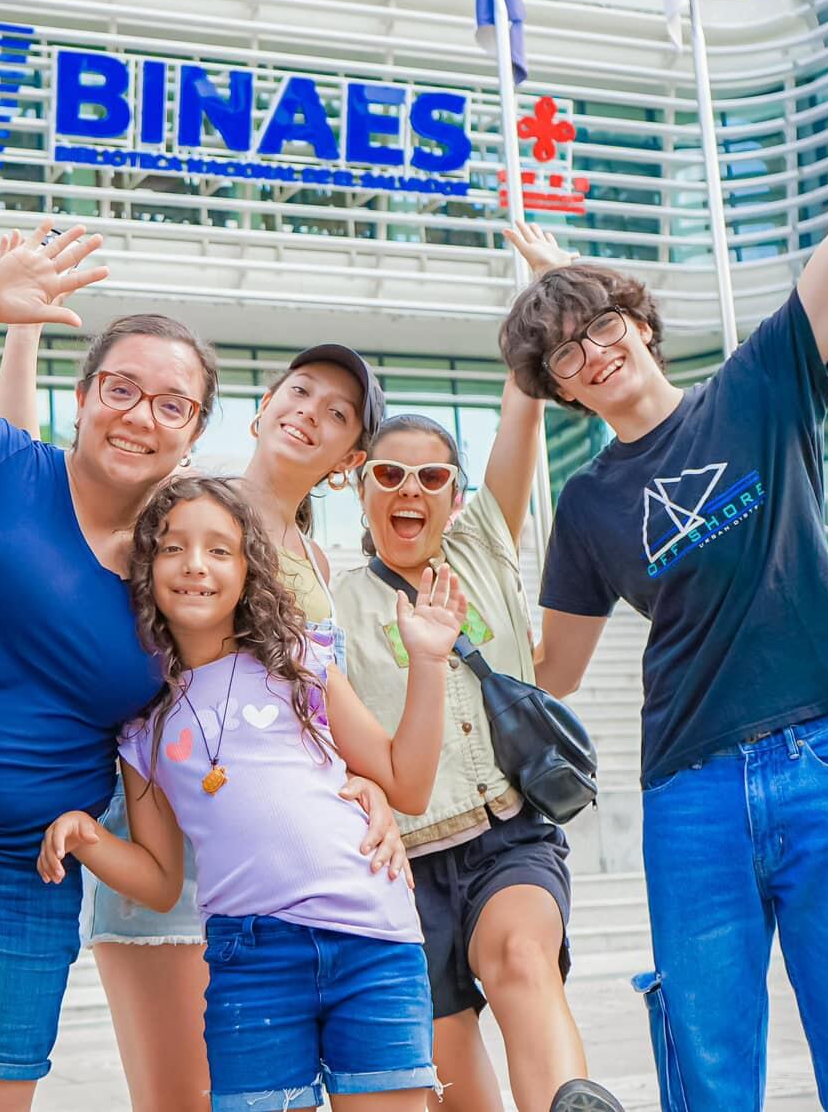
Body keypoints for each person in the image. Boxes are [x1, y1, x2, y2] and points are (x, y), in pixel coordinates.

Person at [503, 0, 828, 1111]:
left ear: (637, 323)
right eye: (560, 358)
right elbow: (552, 668)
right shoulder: (588, 506)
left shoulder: (759, 385)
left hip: (820, 759)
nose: (588, 357)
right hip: (686, 786)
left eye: (597, 330)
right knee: (705, 1060)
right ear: (552, 386)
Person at [0, 260, 410, 1112]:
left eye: (173, 405)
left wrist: (353, 784)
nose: (142, 416)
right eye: (122, 389)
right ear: (88, 392)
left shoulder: (183, 573)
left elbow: (267, 704)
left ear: (197, 430)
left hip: (22, 875)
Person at [38, 475, 465, 1112]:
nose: (195, 566)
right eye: (173, 547)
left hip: (373, 940)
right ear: (146, 566)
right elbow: (159, 881)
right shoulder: (143, 726)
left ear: (248, 570)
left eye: (219, 549)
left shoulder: (300, 661)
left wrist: (428, 662)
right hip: (252, 959)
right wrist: (90, 836)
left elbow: (406, 781)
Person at [335, 218, 623, 1112]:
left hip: (509, 834)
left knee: (522, 959)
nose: (411, 492)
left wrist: (552, 290)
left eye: (432, 479)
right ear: (360, 484)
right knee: (451, 1068)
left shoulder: (484, 547)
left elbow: (521, 403)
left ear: (458, 496)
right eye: (391, 476)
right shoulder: (330, 600)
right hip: (402, 868)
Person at [83, 341, 387, 1112]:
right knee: (182, 1100)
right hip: (168, 844)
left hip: (286, 877)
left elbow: (317, 716)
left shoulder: (317, 560)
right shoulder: (174, 496)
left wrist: (363, 787)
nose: (307, 413)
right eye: (299, 391)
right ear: (262, 407)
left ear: (349, 458)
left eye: (336, 412)